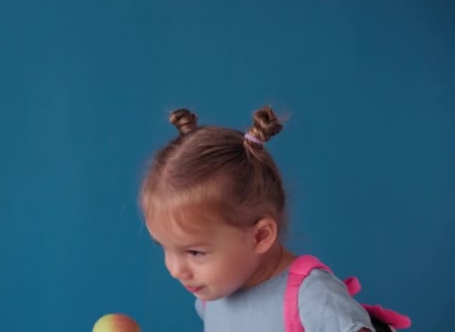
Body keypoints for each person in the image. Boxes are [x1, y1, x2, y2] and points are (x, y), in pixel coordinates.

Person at [139, 106, 375, 331]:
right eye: (164, 247)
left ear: (260, 236)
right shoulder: (214, 294)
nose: (175, 270)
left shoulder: (314, 298)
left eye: (195, 253)